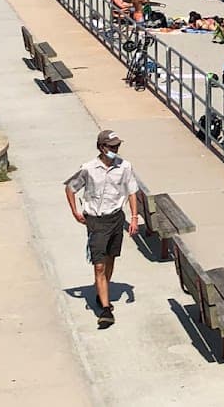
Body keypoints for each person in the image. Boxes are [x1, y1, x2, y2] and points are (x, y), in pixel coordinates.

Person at [63, 130, 139, 327]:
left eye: (117, 146)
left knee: (110, 258)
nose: (115, 149)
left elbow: (132, 192)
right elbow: (70, 188)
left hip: (116, 219)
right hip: (96, 221)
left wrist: (133, 218)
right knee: (99, 264)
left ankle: (101, 290)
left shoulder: (125, 167)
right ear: (101, 147)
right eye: (112, 146)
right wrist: (75, 212)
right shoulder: (88, 169)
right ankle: (106, 310)